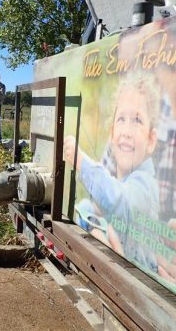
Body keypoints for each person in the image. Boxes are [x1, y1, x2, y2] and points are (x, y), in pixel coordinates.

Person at [63, 73, 161, 271]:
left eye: (137, 120)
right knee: (86, 207)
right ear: (112, 132)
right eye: (121, 119)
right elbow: (105, 201)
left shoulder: (145, 184)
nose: (126, 131)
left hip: (139, 276)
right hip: (122, 263)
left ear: (151, 141)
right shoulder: (119, 175)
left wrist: (81, 161)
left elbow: (119, 200)